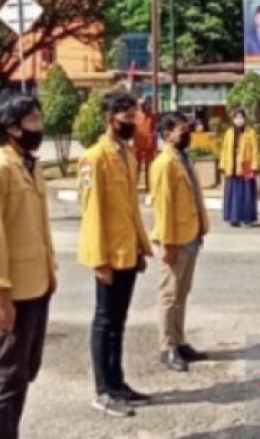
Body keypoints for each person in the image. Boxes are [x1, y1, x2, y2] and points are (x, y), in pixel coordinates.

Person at [0, 93, 57, 439]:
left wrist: (50, 274)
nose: (40, 126)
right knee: (7, 375)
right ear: (11, 127)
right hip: (9, 289)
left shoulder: (27, 165)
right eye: (33, 120)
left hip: (35, 284)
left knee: (23, 371)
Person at [78, 91, 153, 418]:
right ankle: (103, 390)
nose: (132, 123)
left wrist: (140, 246)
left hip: (127, 250)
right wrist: (99, 260)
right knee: (104, 321)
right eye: (127, 118)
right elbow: (91, 212)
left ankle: (118, 382)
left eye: (134, 117)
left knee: (119, 322)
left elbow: (131, 209)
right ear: (110, 119)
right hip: (107, 254)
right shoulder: (95, 158)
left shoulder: (127, 153)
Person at [149, 112, 210, 373]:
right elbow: (162, 207)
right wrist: (167, 244)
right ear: (167, 134)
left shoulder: (182, 158)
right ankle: (167, 346)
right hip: (175, 239)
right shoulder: (164, 164)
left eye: (186, 129)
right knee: (170, 295)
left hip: (191, 234)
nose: (186, 134)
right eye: (180, 130)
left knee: (182, 293)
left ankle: (180, 340)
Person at [219, 108, 260, 227]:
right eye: (236, 118)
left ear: (245, 119)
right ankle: (233, 218)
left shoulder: (251, 132)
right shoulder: (229, 133)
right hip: (231, 166)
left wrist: (255, 165)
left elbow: (255, 150)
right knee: (232, 194)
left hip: (246, 166)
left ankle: (247, 218)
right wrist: (223, 165)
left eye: (241, 118)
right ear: (233, 120)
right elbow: (224, 150)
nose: (239, 120)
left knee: (247, 193)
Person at [133, 96, 158, 192]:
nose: (145, 106)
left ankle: (149, 186)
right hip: (137, 145)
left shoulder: (152, 116)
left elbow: (155, 129)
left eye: (147, 104)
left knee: (150, 167)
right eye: (143, 104)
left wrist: (153, 140)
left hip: (149, 146)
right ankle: (134, 185)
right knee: (136, 167)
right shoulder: (136, 115)